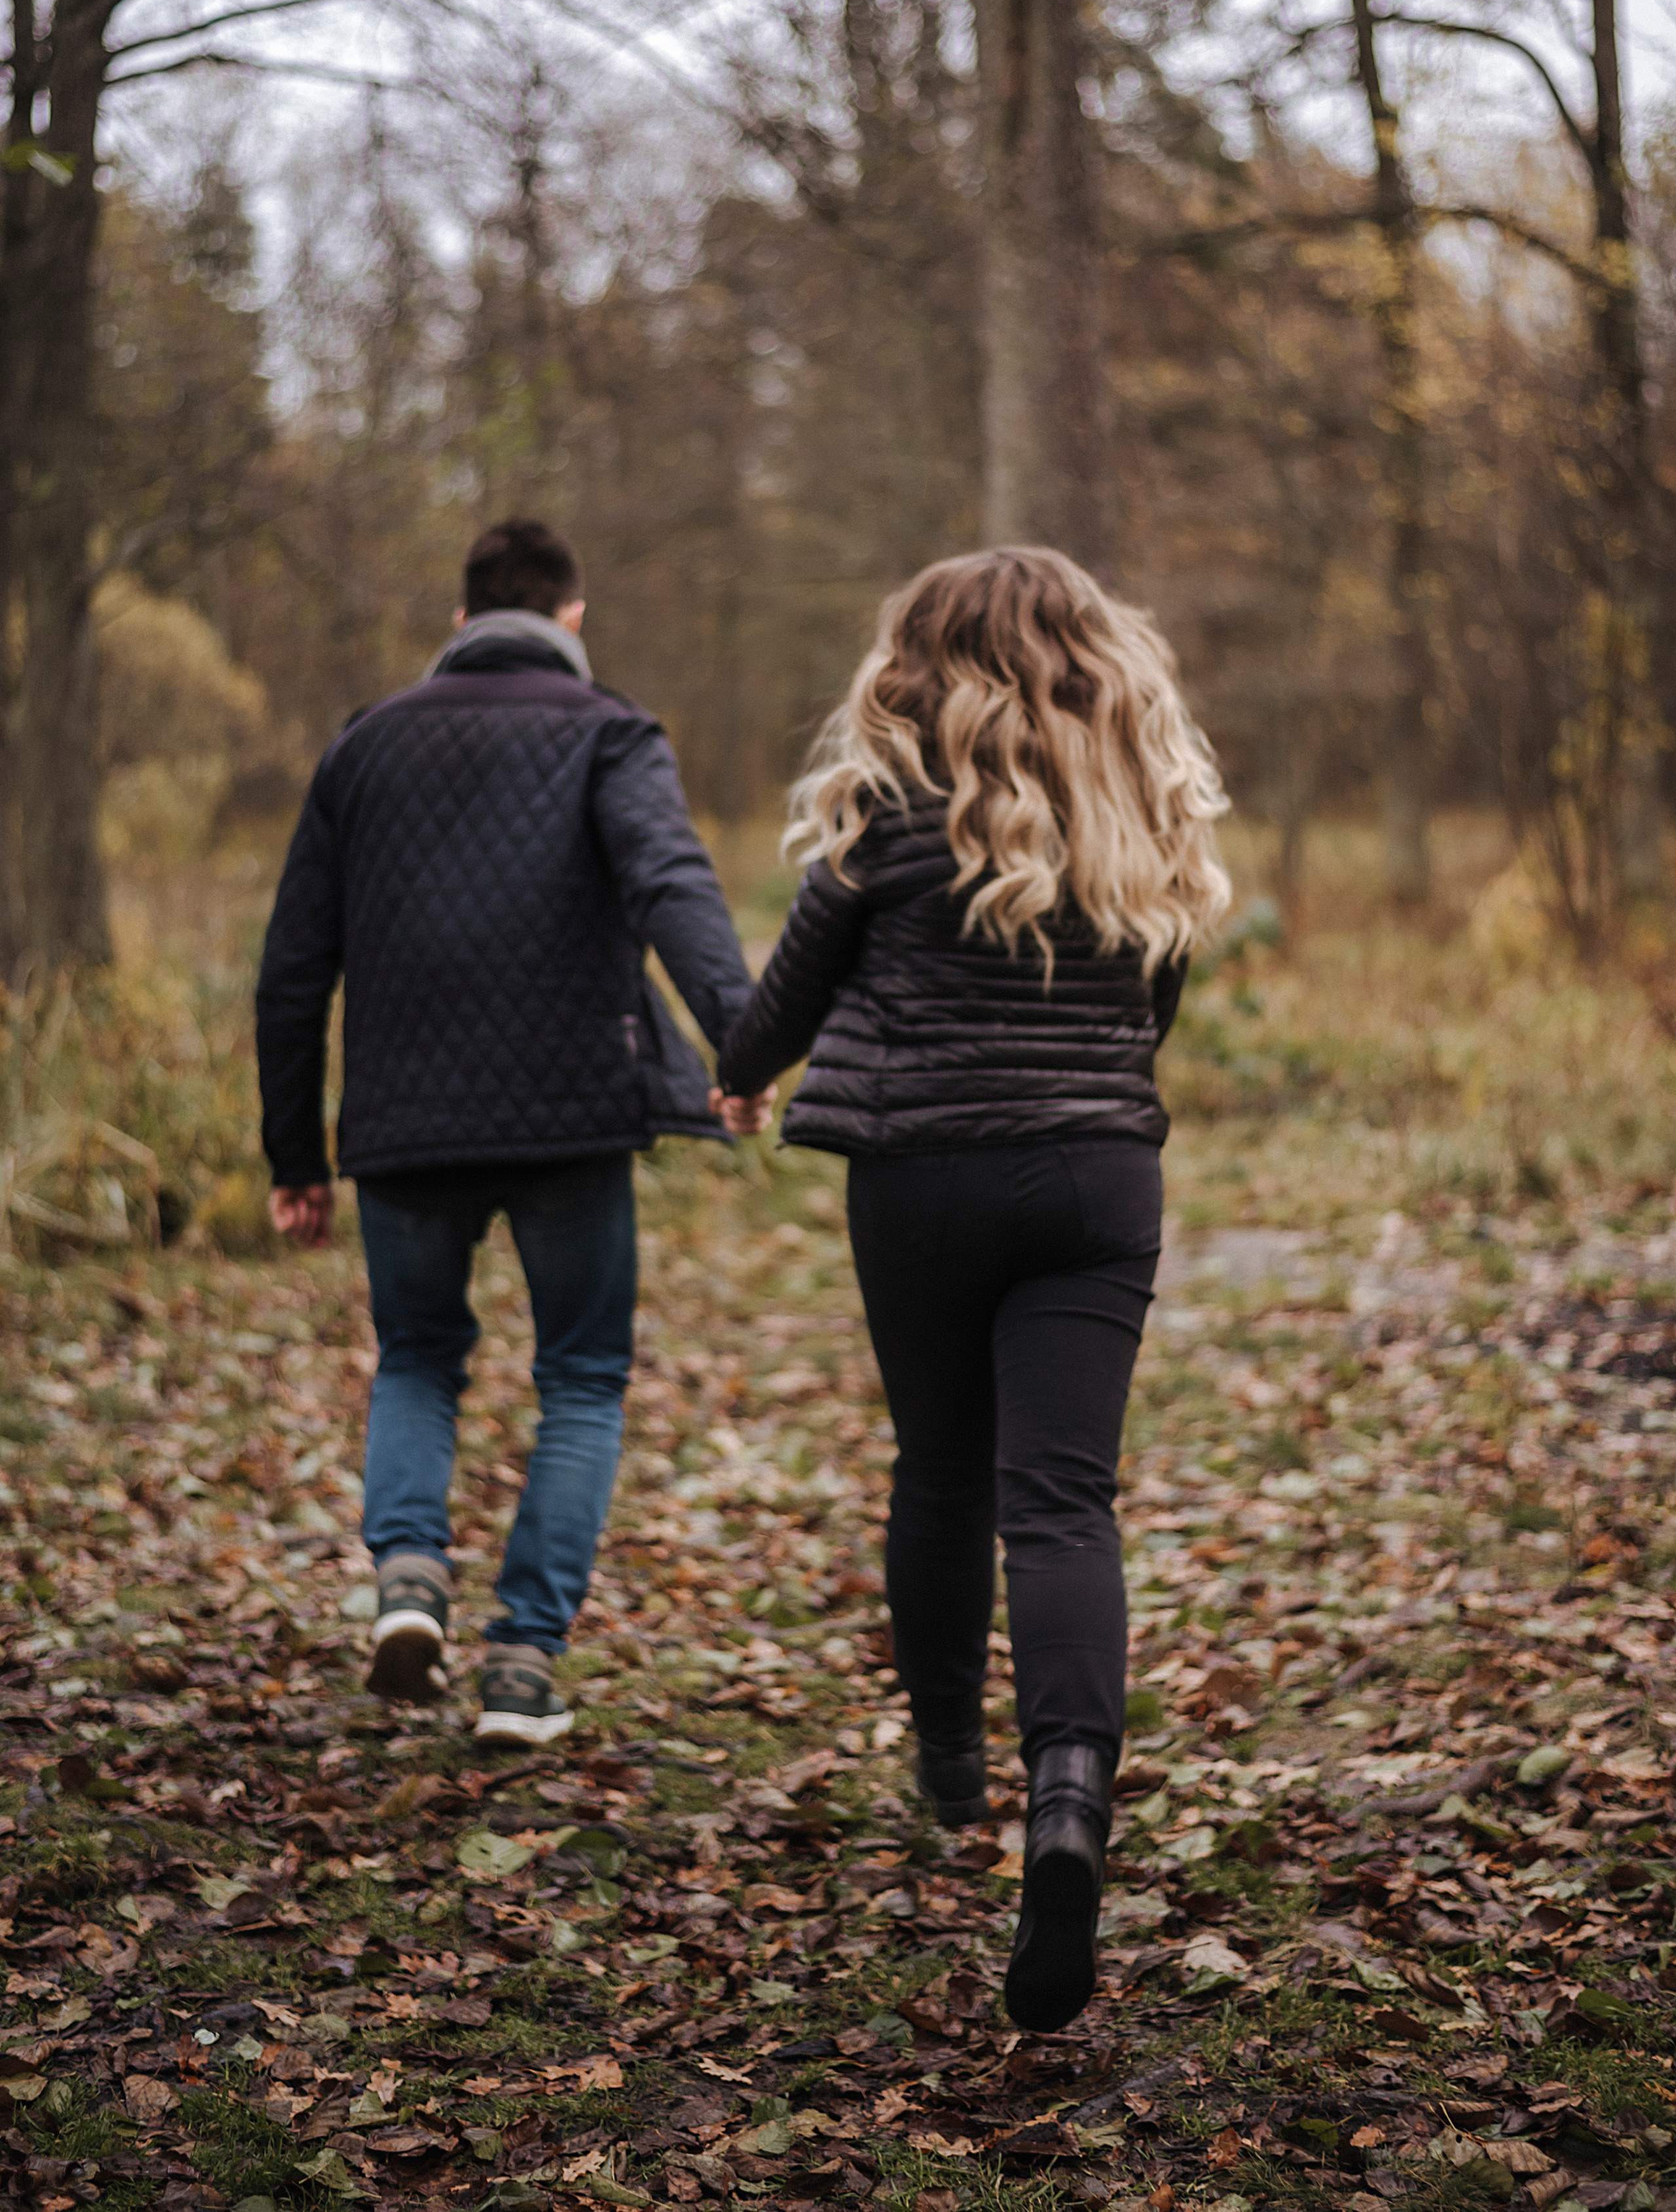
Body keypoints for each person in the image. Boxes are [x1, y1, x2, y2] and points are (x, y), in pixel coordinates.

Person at [713, 547, 1229, 2033]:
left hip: (922, 1175)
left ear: (920, 662)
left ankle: (950, 1765)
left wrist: (739, 1081)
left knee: (939, 1466)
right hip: (1092, 1181)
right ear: (1090, 656)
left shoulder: (884, 816)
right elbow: (1156, 1006)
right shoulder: (1134, 807)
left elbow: (784, 1003)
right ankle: (1065, 1804)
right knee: (1061, 1501)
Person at [257, 519, 765, 1747]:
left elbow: (291, 969)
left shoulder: (364, 747)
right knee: (582, 1377)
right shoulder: (610, 732)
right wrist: (742, 1044)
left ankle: (411, 1579)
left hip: (405, 1120)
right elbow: (672, 885)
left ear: (461, 621)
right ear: (573, 619)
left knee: (419, 1354)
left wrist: (295, 1157)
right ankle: (525, 1666)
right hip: (571, 1114)